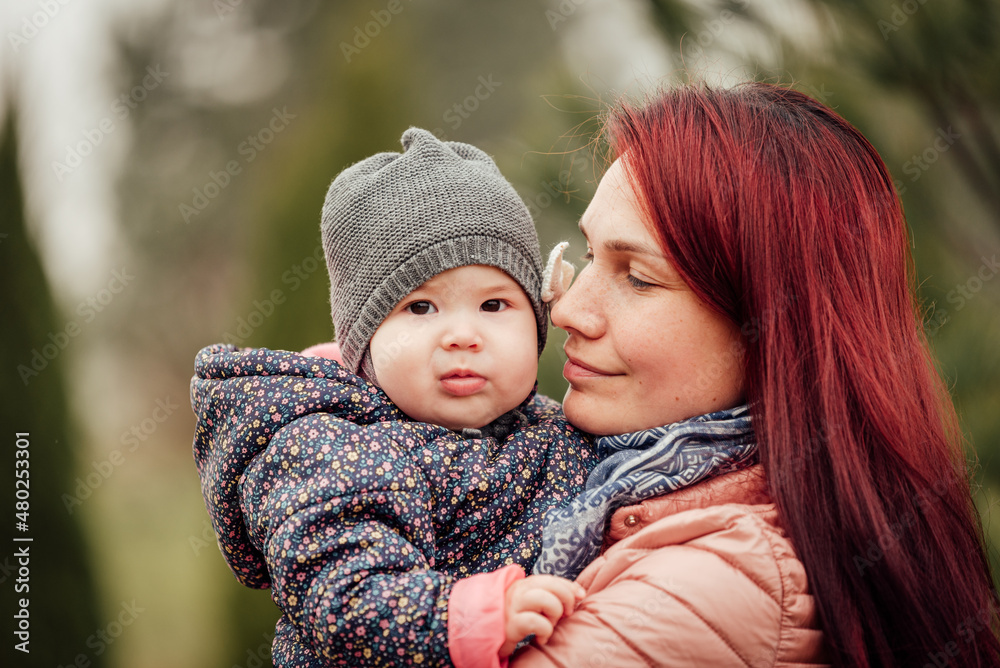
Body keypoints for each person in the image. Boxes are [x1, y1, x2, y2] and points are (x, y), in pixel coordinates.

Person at [501, 83, 1000, 667]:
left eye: (638, 277)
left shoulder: (709, 590)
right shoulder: (602, 488)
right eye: (590, 257)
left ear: (771, 322)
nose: (565, 311)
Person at [190, 128, 595, 668]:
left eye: (495, 305)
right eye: (421, 308)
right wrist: (472, 618)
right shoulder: (329, 443)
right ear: (364, 344)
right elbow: (344, 594)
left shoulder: (561, 429)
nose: (462, 335)